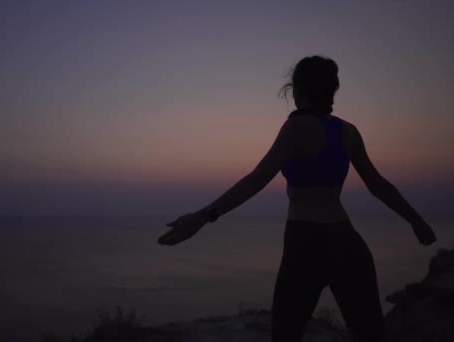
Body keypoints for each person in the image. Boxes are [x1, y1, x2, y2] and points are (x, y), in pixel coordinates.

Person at [157, 55, 437, 342]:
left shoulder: (296, 127)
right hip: (348, 242)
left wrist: (203, 217)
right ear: (332, 90)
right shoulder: (348, 131)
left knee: (286, 335)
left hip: (306, 244)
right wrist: (416, 220)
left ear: (296, 90)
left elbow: (256, 179)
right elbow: (378, 185)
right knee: (369, 335)